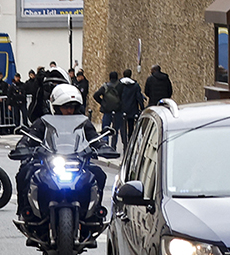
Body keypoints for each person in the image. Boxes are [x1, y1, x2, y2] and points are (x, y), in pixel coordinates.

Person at [13, 84, 106, 218]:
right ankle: (26, 211)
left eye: (72, 107)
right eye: (66, 107)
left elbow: (94, 137)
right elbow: (31, 137)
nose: (69, 110)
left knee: (98, 174)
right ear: (56, 107)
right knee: (25, 172)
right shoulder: (43, 122)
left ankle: (95, 212)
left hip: (78, 162)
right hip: (49, 162)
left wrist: (102, 146)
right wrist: (23, 146)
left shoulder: (83, 123)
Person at [92, 71, 123, 150]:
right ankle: (113, 146)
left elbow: (95, 95)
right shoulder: (120, 86)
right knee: (115, 129)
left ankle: (105, 145)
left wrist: (102, 102)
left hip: (107, 110)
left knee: (105, 128)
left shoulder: (105, 87)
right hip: (117, 110)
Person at [119, 69, 144, 141]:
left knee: (122, 125)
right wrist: (142, 107)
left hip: (122, 108)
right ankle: (130, 140)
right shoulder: (135, 85)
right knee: (131, 126)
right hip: (132, 108)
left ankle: (124, 141)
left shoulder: (120, 84)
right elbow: (138, 97)